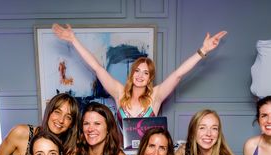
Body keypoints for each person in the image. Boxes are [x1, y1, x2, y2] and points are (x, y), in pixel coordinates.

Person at [52, 23, 226, 124]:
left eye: (146, 73)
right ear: (132, 74)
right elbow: (97, 67)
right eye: (137, 71)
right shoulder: (119, 93)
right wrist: (74, 40)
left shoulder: (155, 96)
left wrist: (203, 51)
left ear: (150, 78)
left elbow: (178, 74)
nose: (140, 75)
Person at [0, 93, 80, 155]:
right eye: (57, 112)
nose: (61, 120)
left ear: (71, 124)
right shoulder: (22, 133)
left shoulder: (69, 150)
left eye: (68, 117)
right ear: (49, 112)